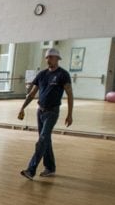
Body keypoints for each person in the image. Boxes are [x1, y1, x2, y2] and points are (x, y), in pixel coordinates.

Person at [18, 48, 74, 179]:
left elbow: (70, 95)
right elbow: (32, 94)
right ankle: (50, 167)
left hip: (52, 112)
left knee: (42, 140)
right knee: (45, 140)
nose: (49, 60)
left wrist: (70, 114)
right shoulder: (42, 74)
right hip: (40, 111)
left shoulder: (63, 74)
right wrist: (22, 108)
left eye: (52, 57)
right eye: (47, 58)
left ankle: (31, 170)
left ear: (57, 59)